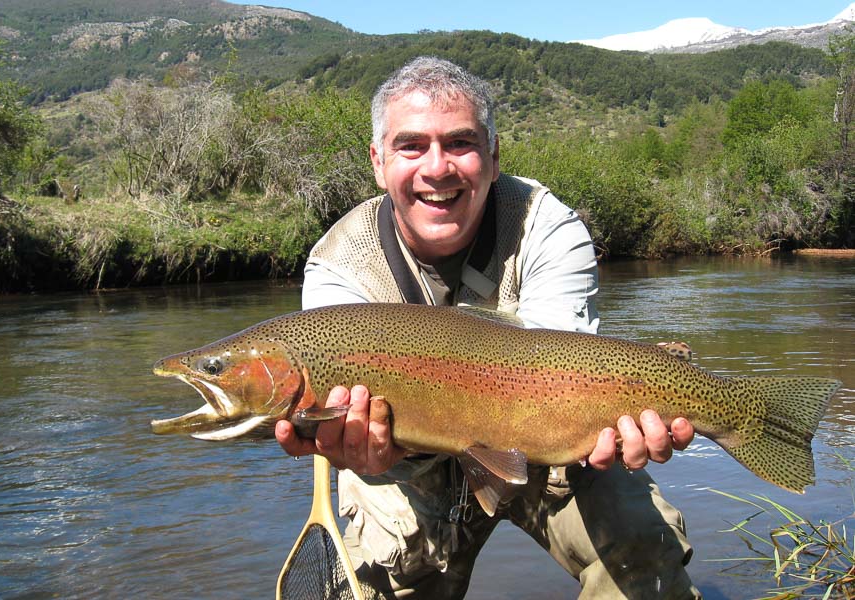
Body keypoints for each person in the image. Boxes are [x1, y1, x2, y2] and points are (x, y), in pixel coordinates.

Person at [275, 56, 701, 599]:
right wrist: (358, 445)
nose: (437, 168)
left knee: (643, 552)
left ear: (494, 157)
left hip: (551, 443)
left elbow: (558, 377)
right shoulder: (338, 265)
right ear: (378, 162)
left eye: (460, 143)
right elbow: (339, 418)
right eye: (411, 146)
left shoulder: (547, 227)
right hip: (405, 470)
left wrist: (648, 406)